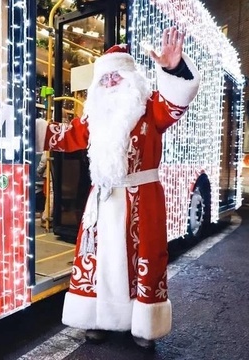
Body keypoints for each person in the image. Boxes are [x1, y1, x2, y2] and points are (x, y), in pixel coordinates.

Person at [35, 27, 200, 349]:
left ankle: (143, 324)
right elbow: (67, 136)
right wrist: (28, 126)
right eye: (104, 79)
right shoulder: (93, 115)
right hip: (103, 200)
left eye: (117, 77)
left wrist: (173, 69)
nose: (110, 83)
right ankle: (97, 318)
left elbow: (178, 102)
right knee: (98, 259)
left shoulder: (151, 107)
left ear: (131, 80)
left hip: (143, 198)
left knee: (146, 257)